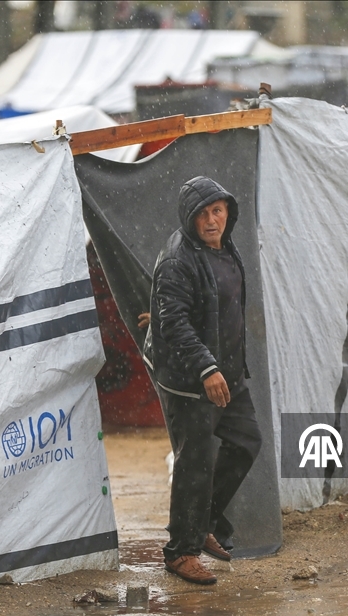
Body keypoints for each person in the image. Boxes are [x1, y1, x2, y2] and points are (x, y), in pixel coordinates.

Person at [142, 176, 262, 585]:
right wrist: (206, 368)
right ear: (189, 219)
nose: (212, 220)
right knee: (195, 463)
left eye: (218, 210)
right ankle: (181, 552)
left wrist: (224, 368)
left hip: (227, 375)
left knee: (247, 441)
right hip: (191, 380)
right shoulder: (180, 258)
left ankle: (202, 522)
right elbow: (173, 323)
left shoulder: (225, 248)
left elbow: (204, 309)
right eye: (203, 214)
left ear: (228, 212)